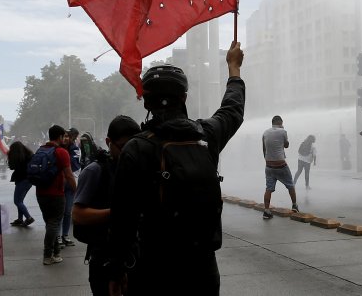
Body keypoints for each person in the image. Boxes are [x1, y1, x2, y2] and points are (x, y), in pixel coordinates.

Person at [107, 41, 245, 296]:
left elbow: (122, 218)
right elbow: (233, 109)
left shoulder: (136, 148)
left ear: (146, 101)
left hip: (153, 269)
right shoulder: (207, 136)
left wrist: (116, 270)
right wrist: (233, 69)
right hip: (202, 269)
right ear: (184, 97)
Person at [72, 115, 140, 296]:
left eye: (135, 146)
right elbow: (78, 214)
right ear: (108, 142)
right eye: (124, 147)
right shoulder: (95, 171)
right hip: (104, 257)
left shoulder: (139, 167)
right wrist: (116, 212)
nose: (130, 152)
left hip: (135, 254)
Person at [35, 124, 78, 265]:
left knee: (50, 223)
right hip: (56, 194)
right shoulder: (61, 152)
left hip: (41, 193)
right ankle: (48, 255)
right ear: (60, 137)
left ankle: (56, 252)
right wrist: (76, 191)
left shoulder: (41, 149)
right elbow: (69, 175)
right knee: (54, 224)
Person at [262, 115, 299, 219]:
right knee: (290, 184)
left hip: (269, 165)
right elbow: (286, 145)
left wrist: (267, 161)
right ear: (280, 123)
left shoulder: (265, 132)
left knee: (268, 188)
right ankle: (294, 205)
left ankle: (266, 211)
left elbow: (264, 149)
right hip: (280, 165)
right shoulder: (283, 132)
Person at [59, 127, 81, 247]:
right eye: (64, 136)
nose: (66, 138)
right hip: (58, 185)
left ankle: (65, 235)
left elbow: (75, 165)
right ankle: (57, 237)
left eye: (67, 136)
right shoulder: (56, 149)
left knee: (67, 212)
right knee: (59, 213)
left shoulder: (75, 149)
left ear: (71, 137)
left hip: (70, 184)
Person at [7, 141, 36, 227]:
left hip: (22, 180)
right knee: (20, 201)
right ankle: (20, 219)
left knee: (17, 201)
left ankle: (29, 218)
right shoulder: (29, 155)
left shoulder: (18, 158)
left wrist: (9, 156)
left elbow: (11, 167)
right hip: (29, 180)